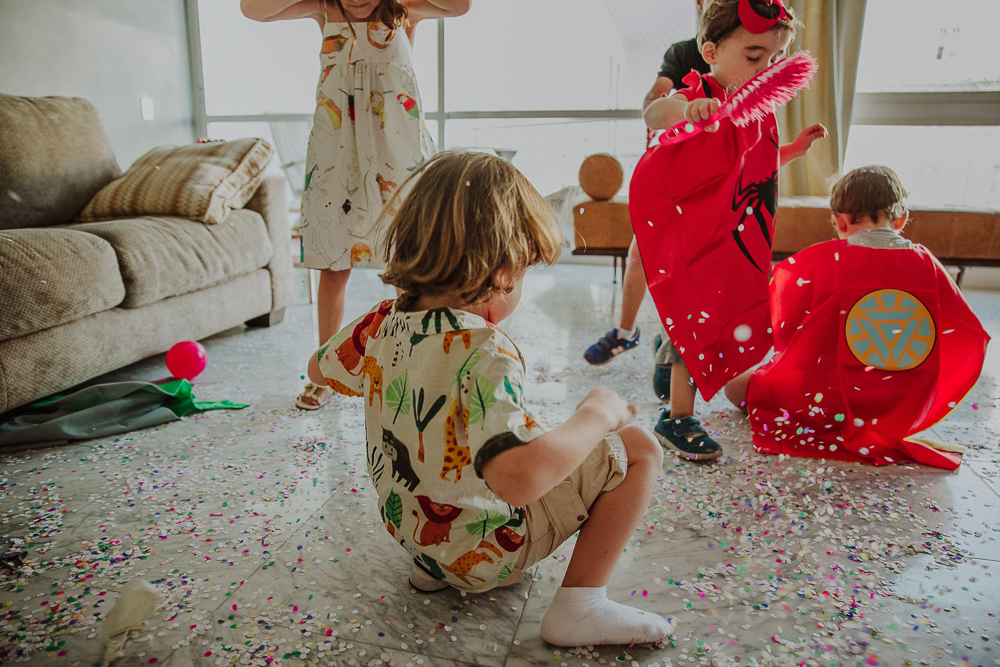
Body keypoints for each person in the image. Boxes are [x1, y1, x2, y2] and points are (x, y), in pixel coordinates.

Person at [308, 151, 672, 648]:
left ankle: (432, 567)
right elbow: (519, 480)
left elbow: (319, 369)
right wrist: (596, 415)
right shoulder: (485, 347)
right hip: (489, 552)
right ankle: (580, 608)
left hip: (413, 533)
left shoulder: (382, 321)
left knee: (482, 433)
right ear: (501, 270)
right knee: (638, 447)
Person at [584, 0, 825, 407]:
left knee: (699, 303)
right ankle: (628, 335)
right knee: (645, 261)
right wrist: (688, 109)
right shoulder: (700, 89)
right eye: (754, 56)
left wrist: (793, 151)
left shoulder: (758, 113)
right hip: (675, 207)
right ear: (711, 53)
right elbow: (656, 113)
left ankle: (671, 369)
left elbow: (757, 164)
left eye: (776, 58)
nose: (766, 68)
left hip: (716, 221)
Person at [241, 0, 471, 410]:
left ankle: (411, 364)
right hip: (338, 155)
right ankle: (327, 371)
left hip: (396, 154)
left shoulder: (405, 11)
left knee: (409, 268)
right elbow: (251, 10)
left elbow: (462, 6)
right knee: (334, 265)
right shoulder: (325, 12)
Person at [725, 165, 989, 469]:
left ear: (839, 221)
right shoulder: (927, 263)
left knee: (735, 387)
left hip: (823, 403)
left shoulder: (824, 259)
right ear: (901, 219)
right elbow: (968, 332)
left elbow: (783, 326)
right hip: (899, 408)